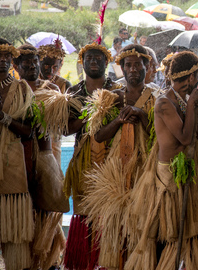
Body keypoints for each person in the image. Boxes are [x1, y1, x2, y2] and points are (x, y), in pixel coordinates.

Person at [125, 50, 198, 269]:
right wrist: (194, 102)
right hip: (168, 175)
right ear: (192, 77)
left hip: (188, 171)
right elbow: (185, 138)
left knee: (188, 228)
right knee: (168, 231)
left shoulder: (184, 100)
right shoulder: (165, 103)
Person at [82, 44, 158, 269]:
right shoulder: (112, 97)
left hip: (145, 168)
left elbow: (158, 136)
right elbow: (97, 136)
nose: (133, 69)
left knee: (142, 221)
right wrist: (119, 120)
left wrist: (141, 114)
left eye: (138, 65)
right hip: (117, 168)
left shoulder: (157, 98)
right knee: (117, 224)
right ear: (122, 69)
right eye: (128, 65)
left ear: (147, 67)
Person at [62, 41, 117, 270]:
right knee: (85, 210)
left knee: (111, 208)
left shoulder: (116, 90)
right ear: (82, 63)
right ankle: (85, 261)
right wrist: (89, 113)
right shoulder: (74, 92)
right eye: (89, 58)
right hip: (83, 158)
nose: (93, 61)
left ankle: (109, 260)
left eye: (98, 58)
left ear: (106, 62)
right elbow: (65, 129)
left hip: (113, 158)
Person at [14, 44, 68, 270]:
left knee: (48, 207)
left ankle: (49, 258)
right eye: (27, 65)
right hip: (18, 157)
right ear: (16, 67)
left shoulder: (51, 88)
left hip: (47, 155)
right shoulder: (12, 90)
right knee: (24, 210)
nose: (33, 68)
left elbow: (60, 125)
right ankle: (24, 260)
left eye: (35, 63)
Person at [0, 40, 34, 270]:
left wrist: (2, 117)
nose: (1, 61)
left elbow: (29, 131)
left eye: (5, 56)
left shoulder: (22, 89)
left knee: (14, 232)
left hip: (12, 161)